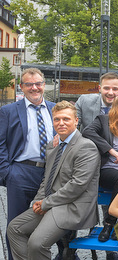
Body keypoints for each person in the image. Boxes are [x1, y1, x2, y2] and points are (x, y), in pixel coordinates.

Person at [7, 101, 100, 260]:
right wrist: (38, 201)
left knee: (37, 243)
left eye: (66, 119)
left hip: (73, 207)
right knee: (14, 228)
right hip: (52, 203)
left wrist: (46, 203)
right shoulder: (53, 146)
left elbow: (77, 186)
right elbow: (47, 179)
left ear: (76, 121)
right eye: (57, 119)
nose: (61, 123)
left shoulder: (86, 147)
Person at [0, 68, 55, 260]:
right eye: (29, 84)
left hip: (50, 173)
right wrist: (8, 173)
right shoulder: (8, 111)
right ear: (21, 87)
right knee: (15, 223)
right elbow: (0, 144)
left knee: (49, 219)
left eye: (38, 83)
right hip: (21, 171)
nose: (34, 87)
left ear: (44, 85)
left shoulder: (54, 108)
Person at [82, 93, 118, 244]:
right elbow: (87, 132)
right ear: (115, 107)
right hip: (105, 167)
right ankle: (109, 224)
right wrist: (110, 150)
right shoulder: (102, 120)